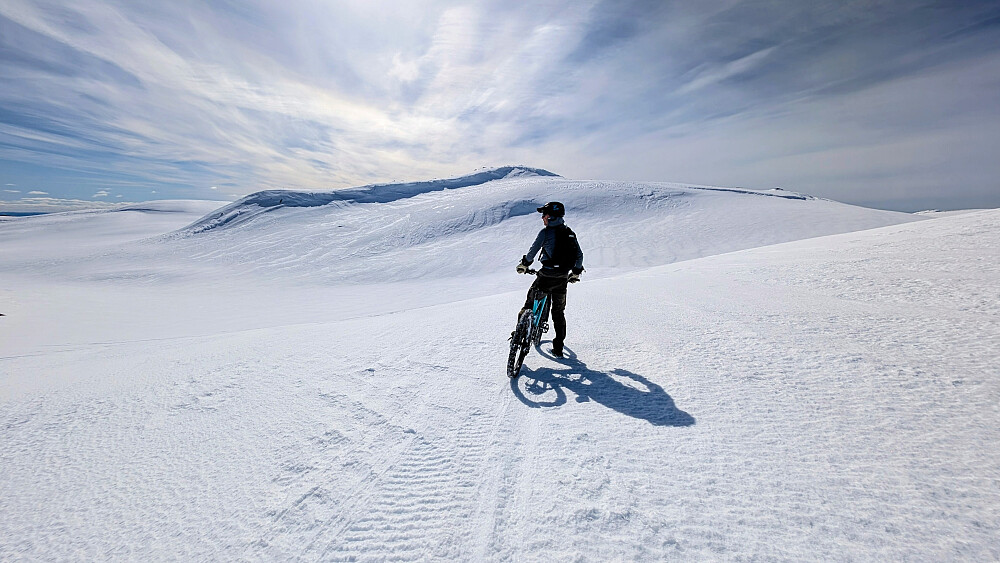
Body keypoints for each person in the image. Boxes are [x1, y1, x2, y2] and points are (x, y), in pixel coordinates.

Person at [516, 201, 584, 358]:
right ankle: (558, 348)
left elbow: (532, 252)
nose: (542, 218)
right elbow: (579, 256)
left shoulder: (545, 233)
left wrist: (524, 265)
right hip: (561, 278)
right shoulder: (570, 233)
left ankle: (518, 334)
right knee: (558, 312)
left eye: (544, 215)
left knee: (528, 304)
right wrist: (575, 273)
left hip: (545, 276)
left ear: (550, 216)